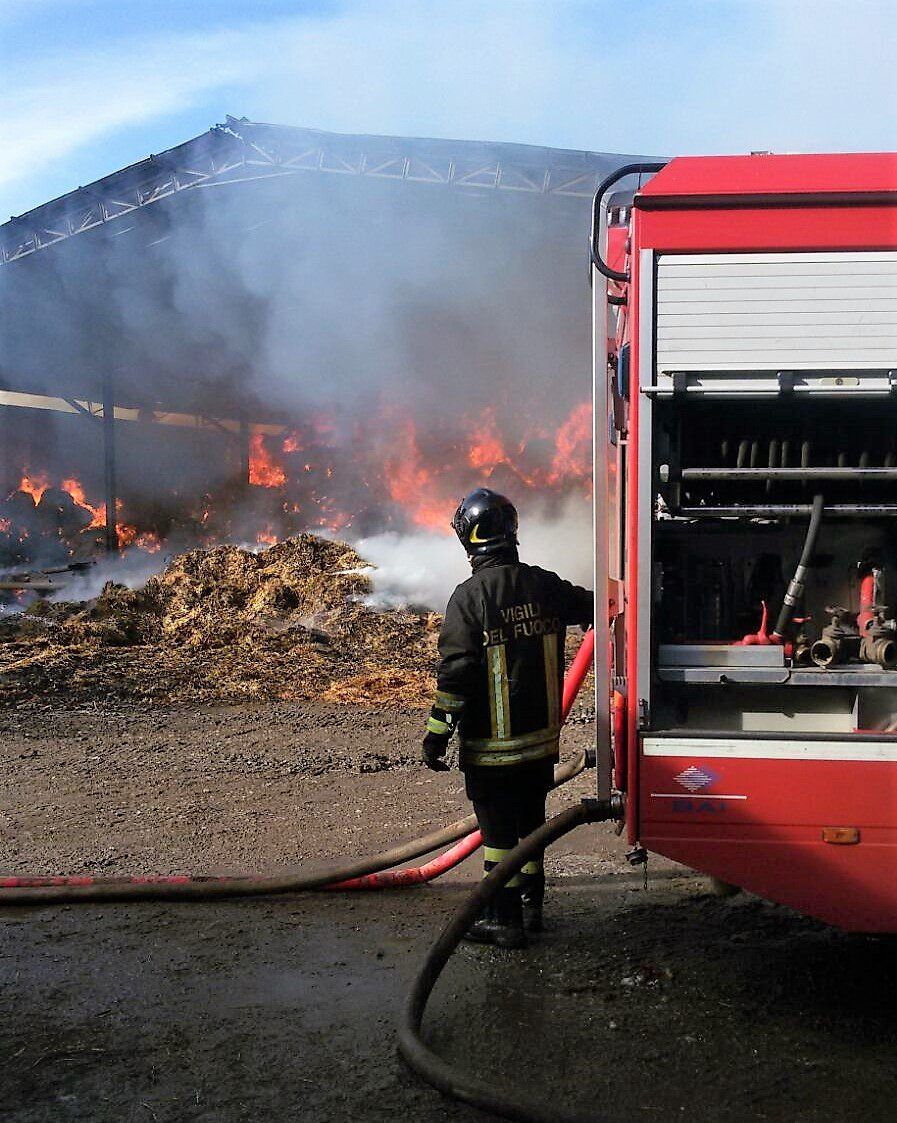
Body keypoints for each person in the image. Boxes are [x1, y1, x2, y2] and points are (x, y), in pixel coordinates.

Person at [421, 487, 594, 949]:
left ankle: (504, 920)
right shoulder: (543, 585)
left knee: (497, 835)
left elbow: (457, 671)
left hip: (493, 751)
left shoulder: (469, 598)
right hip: (540, 744)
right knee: (531, 825)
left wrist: (437, 733)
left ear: (468, 538)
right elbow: (594, 605)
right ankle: (532, 908)